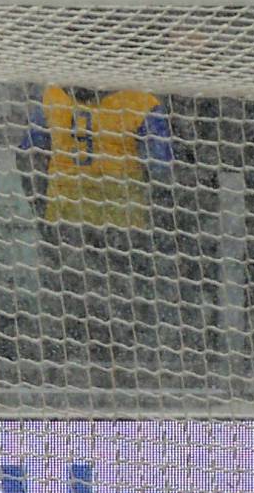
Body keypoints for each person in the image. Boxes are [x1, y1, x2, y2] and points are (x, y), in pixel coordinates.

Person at [18, 85, 174, 391]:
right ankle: (120, 383)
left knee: (71, 307)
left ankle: (70, 384)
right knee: (124, 310)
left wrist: (40, 204)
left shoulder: (52, 98)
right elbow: (162, 166)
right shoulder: (141, 102)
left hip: (65, 219)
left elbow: (27, 153)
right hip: (123, 222)